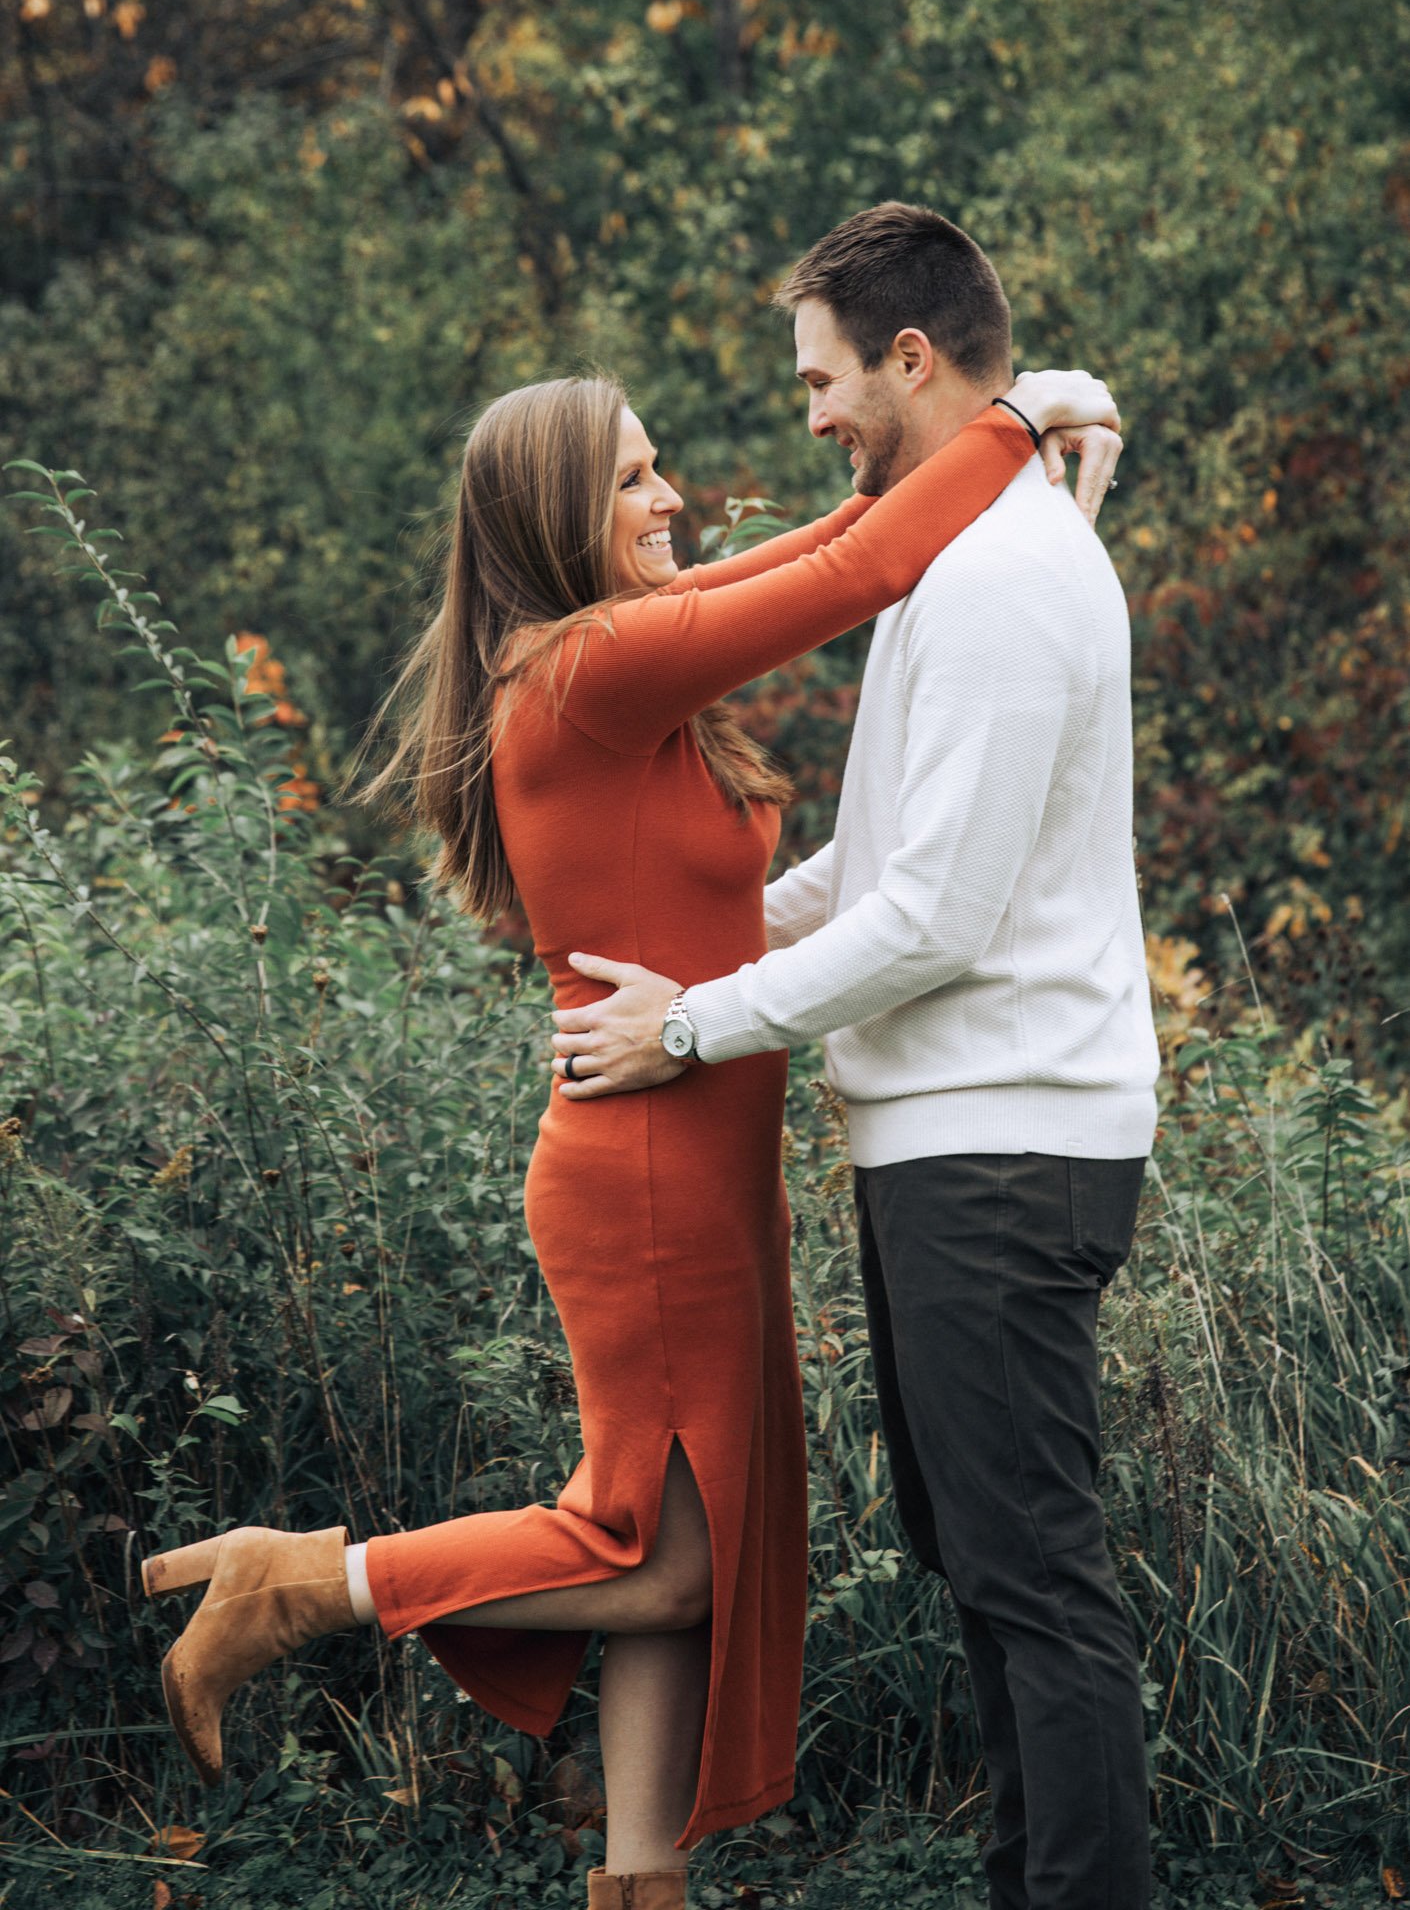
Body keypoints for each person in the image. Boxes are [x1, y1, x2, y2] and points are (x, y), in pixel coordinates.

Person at [138, 352, 1120, 1910]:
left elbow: (832, 539)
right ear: (547, 512)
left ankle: (640, 1882)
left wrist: (1006, 483)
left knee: (687, 1561)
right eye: (632, 480)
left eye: (661, 471)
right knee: (654, 1554)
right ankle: (306, 1582)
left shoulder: (609, 658)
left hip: (698, 1166)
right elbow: (862, 564)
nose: (670, 501)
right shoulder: (585, 670)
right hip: (645, 1172)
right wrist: (1024, 402)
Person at [550, 203, 1160, 1910]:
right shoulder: (953, 547)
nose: (807, 414)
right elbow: (875, 867)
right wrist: (696, 954)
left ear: (909, 360)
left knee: (1032, 1581)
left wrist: (690, 1023)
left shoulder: (990, 577)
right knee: (982, 1568)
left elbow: (935, 924)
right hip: (954, 1138)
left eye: (824, 378)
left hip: (1005, 1141)